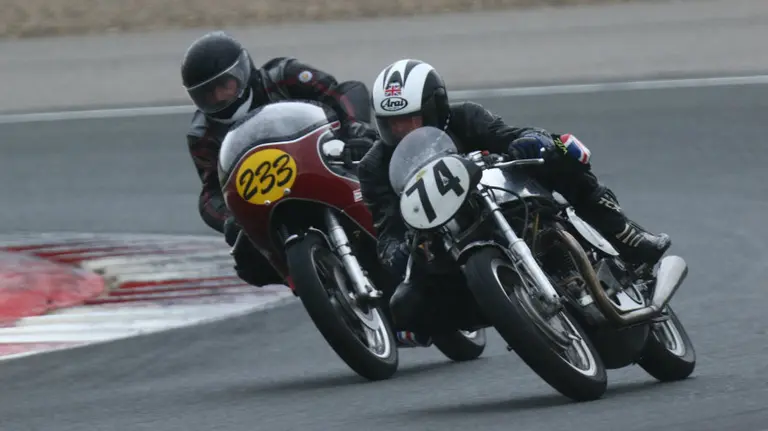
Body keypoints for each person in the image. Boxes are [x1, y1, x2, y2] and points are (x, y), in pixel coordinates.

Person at [357, 59, 672, 346]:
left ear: (436, 107)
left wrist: (526, 141)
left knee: (559, 151)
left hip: (503, 195)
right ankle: (506, 309)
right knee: (405, 306)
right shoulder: (374, 166)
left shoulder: (466, 116)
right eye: (393, 123)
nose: (403, 131)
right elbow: (386, 228)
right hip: (445, 238)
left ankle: (624, 232)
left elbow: (508, 134)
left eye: (412, 120)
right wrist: (398, 251)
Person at [181, 31, 377, 287]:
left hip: (325, 164)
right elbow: (210, 193)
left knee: (379, 172)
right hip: (267, 200)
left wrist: (354, 129)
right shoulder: (202, 135)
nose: (219, 98)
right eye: (208, 94)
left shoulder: (283, 76)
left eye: (224, 86)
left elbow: (344, 92)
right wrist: (229, 219)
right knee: (248, 263)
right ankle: (317, 288)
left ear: (242, 73)